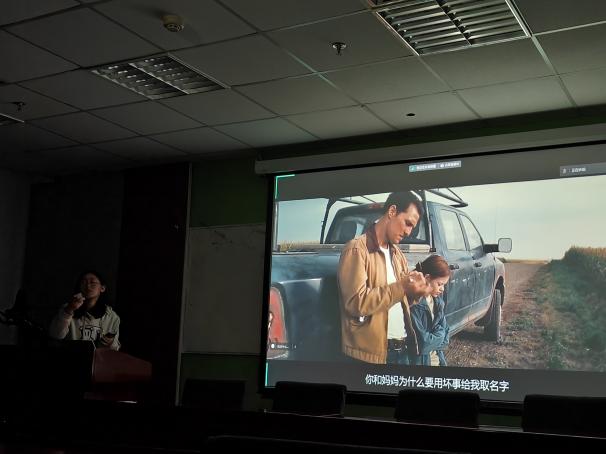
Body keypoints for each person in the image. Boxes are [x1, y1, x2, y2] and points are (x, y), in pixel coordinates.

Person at [338, 191, 428, 364]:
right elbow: (355, 304)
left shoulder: (397, 255)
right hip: (370, 357)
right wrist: (402, 286)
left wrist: (415, 292)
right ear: (392, 211)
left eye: (412, 227)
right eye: (408, 223)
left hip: (402, 350)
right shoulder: (357, 250)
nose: (409, 232)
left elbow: (398, 301)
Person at [49, 270, 121, 350]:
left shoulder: (111, 316)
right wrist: (69, 310)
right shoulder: (68, 308)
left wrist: (110, 342)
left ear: (102, 288)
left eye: (92, 282)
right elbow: (55, 335)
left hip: (97, 357)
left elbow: (115, 349)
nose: (87, 286)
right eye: (83, 282)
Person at [408, 255, 451, 366]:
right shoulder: (414, 304)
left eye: (444, 285)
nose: (442, 289)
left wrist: (435, 337)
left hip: (438, 360)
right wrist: (440, 334)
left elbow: (446, 339)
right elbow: (423, 344)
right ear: (427, 278)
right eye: (439, 284)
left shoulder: (437, 302)